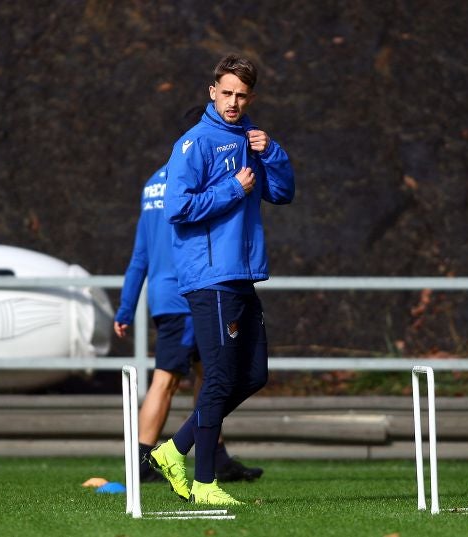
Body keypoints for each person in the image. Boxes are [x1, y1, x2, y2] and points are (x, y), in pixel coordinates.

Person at [150, 54, 295, 505]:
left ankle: (174, 450)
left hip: (242, 274)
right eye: (226, 92)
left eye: (242, 95)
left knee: (253, 376)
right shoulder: (193, 143)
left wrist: (272, 152)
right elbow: (177, 207)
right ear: (212, 91)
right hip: (209, 276)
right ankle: (205, 483)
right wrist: (233, 188)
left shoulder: (252, 140)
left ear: (250, 97)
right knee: (219, 377)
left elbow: (283, 193)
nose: (233, 102)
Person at [114, 107, 264, 484]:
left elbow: (140, 255)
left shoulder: (151, 184)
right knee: (168, 378)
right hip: (191, 290)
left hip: (169, 292)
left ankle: (217, 455)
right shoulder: (200, 178)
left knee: (210, 375)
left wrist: (127, 306)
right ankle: (143, 461)